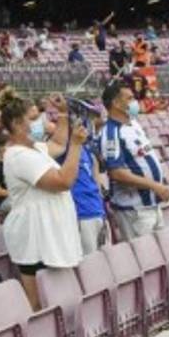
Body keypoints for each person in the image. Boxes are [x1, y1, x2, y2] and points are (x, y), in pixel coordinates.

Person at [0, 93, 87, 310]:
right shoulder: (18, 156)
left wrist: (64, 114)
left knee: (56, 300)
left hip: (50, 234)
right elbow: (63, 180)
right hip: (34, 237)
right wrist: (76, 146)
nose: (41, 122)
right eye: (34, 118)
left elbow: (58, 142)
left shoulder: (35, 148)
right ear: (18, 124)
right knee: (39, 305)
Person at [100, 82, 169, 242]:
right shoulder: (111, 133)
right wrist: (155, 185)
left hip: (152, 204)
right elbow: (117, 173)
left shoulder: (134, 123)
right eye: (130, 98)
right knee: (146, 259)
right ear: (116, 103)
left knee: (162, 256)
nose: (135, 102)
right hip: (135, 210)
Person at [43, 96, 107, 254]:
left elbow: (96, 184)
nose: (89, 125)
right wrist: (63, 116)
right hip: (79, 215)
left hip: (96, 212)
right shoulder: (61, 149)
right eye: (86, 119)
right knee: (89, 268)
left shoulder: (85, 149)